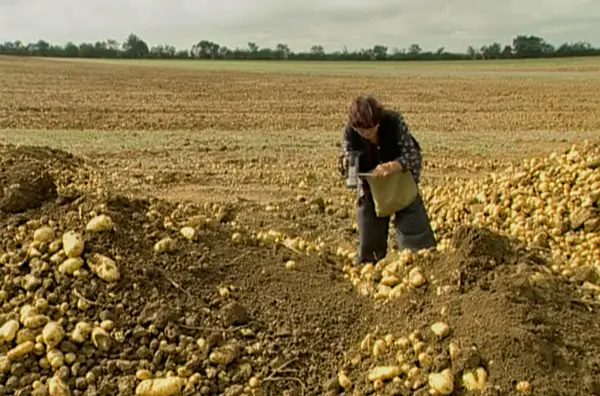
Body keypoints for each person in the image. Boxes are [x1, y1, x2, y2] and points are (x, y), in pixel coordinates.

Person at [337, 94, 437, 265]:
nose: (367, 134)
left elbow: (413, 156)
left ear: (378, 121)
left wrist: (391, 166)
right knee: (370, 245)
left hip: (400, 183)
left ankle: (421, 264)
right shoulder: (350, 133)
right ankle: (371, 268)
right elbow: (348, 171)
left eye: (371, 129)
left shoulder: (394, 123)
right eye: (362, 131)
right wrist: (346, 164)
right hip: (371, 188)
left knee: (418, 242)